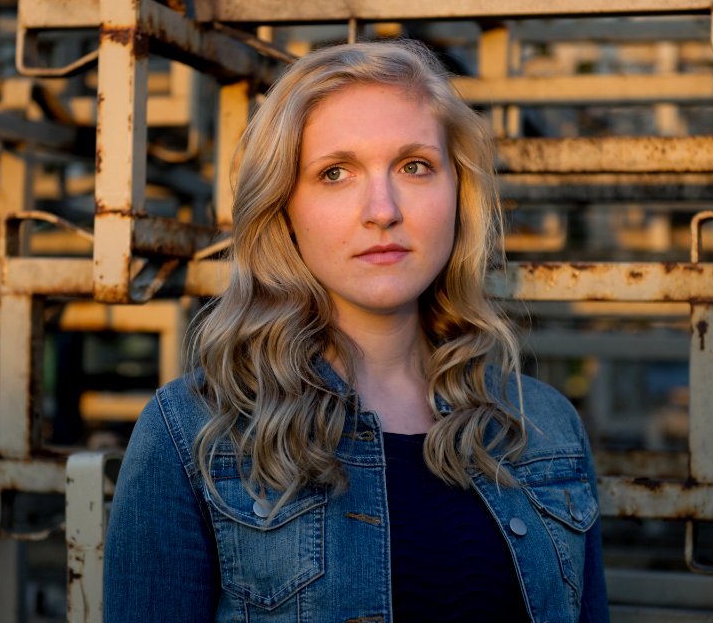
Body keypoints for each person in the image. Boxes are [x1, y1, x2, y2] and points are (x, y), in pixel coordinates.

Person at [104, 40, 609, 622]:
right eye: (335, 172)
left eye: (414, 166)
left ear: (457, 195)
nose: (382, 209)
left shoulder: (545, 426)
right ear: (284, 208)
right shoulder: (191, 432)